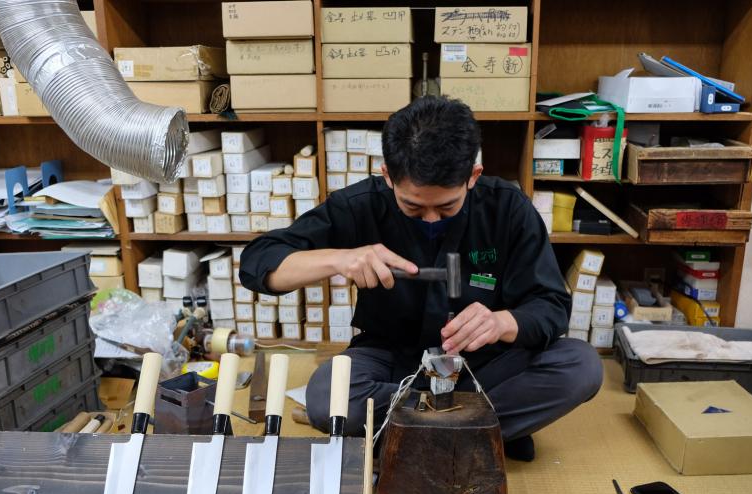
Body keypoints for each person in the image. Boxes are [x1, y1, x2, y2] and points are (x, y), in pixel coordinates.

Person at [240, 96, 603, 461]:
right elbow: (258, 263)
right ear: (387, 176)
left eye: (447, 207)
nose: (431, 219)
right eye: (412, 207)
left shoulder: (508, 208)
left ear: (472, 176)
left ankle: (411, 436)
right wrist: (339, 259)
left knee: (580, 366)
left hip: (483, 366)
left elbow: (552, 306)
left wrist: (501, 322)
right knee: (326, 396)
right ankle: (479, 430)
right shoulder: (360, 205)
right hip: (391, 363)